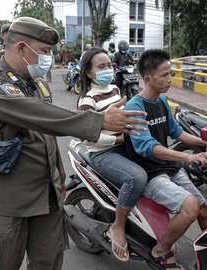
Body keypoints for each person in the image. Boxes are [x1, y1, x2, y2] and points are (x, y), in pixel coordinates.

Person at [0, 17, 148, 270]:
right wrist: (99, 120)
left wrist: (59, 178)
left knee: (49, 262)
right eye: (44, 51)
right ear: (21, 48)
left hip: (46, 197)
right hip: (5, 202)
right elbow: (39, 115)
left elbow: (46, 135)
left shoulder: (37, 84)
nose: (49, 58)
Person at [124, 49, 207, 270]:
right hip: (149, 173)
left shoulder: (162, 101)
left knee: (203, 208)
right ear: (148, 79)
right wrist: (187, 155)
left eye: (170, 74)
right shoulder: (135, 107)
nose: (170, 79)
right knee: (190, 206)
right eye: (165, 75)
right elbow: (147, 147)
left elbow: (176, 133)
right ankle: (160, 250)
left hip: (169, 168)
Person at [77, 47, 148, 262]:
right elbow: (86, 137)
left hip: (124, 146)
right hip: (102, 152)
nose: (108, 69)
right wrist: (117, 139)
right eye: (101, 67)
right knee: (137, 177)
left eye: (109, 65)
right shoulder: (87, 101)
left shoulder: (116, 90)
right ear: (89, 73)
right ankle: (117, 227)